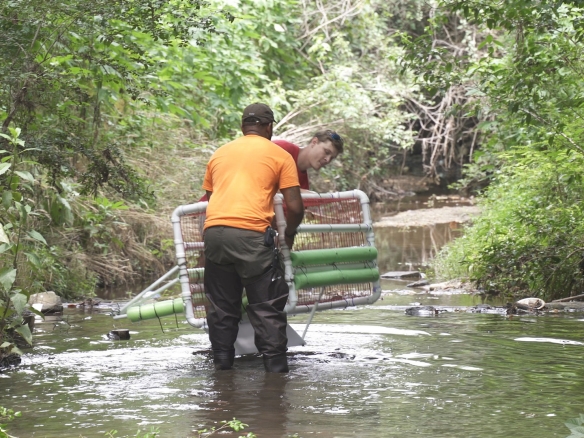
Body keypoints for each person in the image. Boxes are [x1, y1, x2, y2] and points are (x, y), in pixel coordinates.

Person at [202, 103, 304, 373]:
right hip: (251, 237)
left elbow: (214, 200)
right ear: (269, 127)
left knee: (222, 308)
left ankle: (222, 373)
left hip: (214, 235)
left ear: (242, 126)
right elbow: (294, 207)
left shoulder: (219, 154)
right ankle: (276, 378)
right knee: (266, 307)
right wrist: (287, 235)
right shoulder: (279, 155)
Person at [273, 130, 344, 190]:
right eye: (326, 152)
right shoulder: (282, 148)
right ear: (314, 142)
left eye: (331, 158)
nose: (327, 160)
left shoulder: (304, 185)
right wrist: (300, 193)